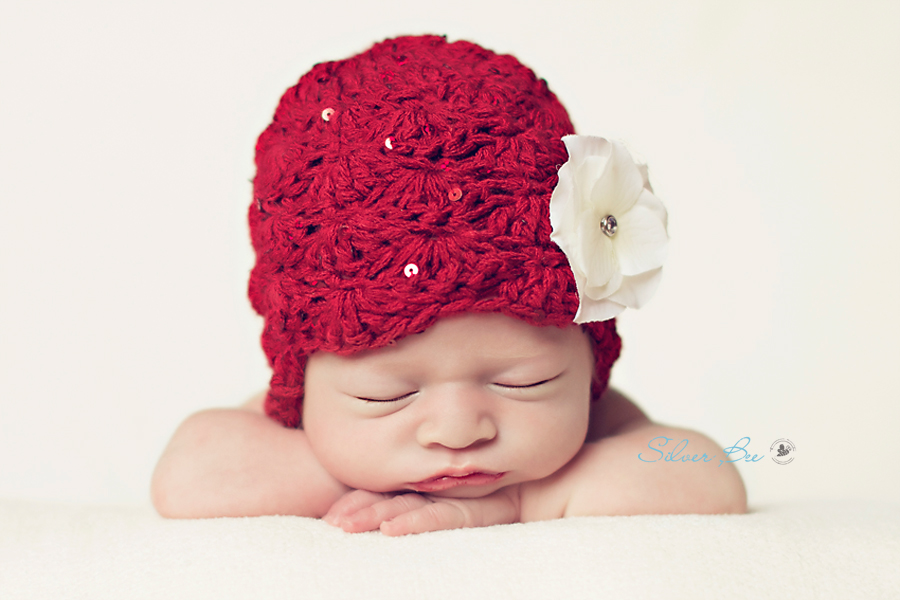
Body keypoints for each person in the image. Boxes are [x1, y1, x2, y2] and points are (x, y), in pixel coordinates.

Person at [151, 35, 746, 535]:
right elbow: (190, 479)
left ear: (591, 358)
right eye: (384, 397)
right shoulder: (298, 423)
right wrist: (348, 469)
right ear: (298, 382)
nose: (459, 430)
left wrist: (516, 503)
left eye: (525, 383)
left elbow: (709, 474)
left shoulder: (599, 425)